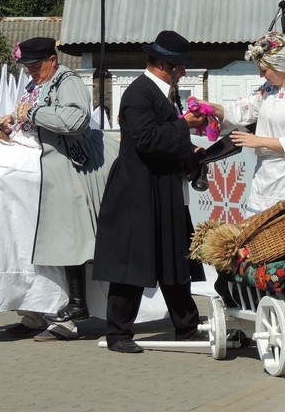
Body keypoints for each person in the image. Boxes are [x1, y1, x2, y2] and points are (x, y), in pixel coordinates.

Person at [93, 30, 207, 354]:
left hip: (164, 187)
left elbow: (168, 139)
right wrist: (184, 125)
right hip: (137, 189)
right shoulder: (138, 94)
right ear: (164, 65)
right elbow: (147, 140)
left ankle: (186, 327)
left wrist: (193, 151)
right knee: (132, 259)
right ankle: (118, 333)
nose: (183, 72)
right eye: (180, 66)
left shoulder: (167, 94)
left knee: (174, 259)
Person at [0, 37, 116, 340]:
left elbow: (76, 119)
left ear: (52, 59)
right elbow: (30, 117)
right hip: (37, 162)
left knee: (68, 230)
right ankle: (35, 306)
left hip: (65, 164)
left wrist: (32, 115)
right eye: (27, 67)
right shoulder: (35, 84)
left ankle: (77, 305)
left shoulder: (67, 80)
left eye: (36, 66)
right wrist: (12, 123)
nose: (31, 73)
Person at [201, 32, 285, 217]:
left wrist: (259, 141)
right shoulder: (269, 89)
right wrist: (211, 108)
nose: (260, 75)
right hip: (264, 176)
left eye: (264, 70)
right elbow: (243, 109)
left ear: (281, 65)